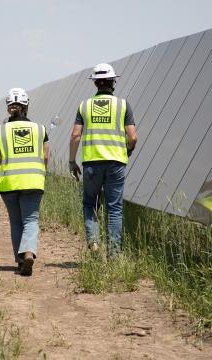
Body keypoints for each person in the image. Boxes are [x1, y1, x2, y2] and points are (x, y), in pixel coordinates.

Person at [69, 63, 137, 257]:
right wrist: (127, 151)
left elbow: (75, 136)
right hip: (116, 163)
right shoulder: (123, 105)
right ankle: (114, 254)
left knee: (90, 203)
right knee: (114, 209)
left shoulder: (84, 106)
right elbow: (132, 137)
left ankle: (93, 242)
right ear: (113, 81)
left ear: (95, 83)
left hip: (91, 163)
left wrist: (72, 161)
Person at [0, 88, 49, 276]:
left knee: (16, 222)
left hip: (9, 183)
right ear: (26, 106)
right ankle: (29, 252)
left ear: (9, 108)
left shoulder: (0, 131)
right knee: (30, 220)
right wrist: (40, 174)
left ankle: (20, 260)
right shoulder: (41, 129)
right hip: (33, 181)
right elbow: (46, 156)